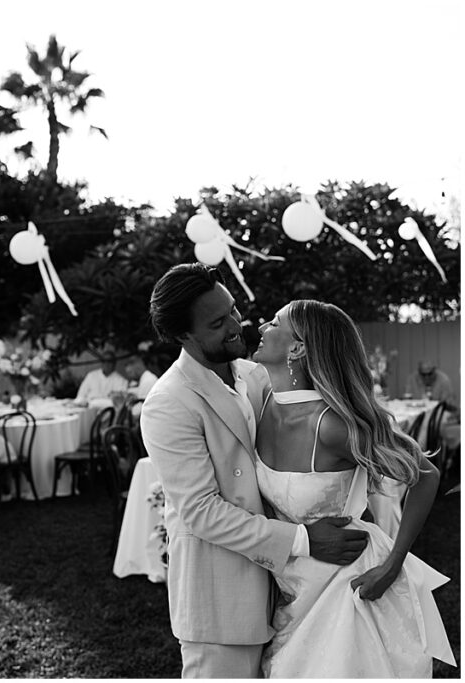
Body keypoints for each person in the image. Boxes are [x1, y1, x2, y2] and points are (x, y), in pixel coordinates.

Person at [140, 263, 368, 678]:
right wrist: (303, 539)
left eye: (232, 310)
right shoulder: (169, 402)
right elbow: (202, 511)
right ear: (184, 335)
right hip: (222, 597)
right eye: (217, 322)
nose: (235, 325)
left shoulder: (254, 373)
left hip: (287, 588)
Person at [252, 300, 454, 677]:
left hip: (348, 584)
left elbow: (425, 474)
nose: (262, 326)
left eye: (274, 321)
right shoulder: (260, 403)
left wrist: (392, 566)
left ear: (297, 348)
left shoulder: (332, 426)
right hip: (290, 584)